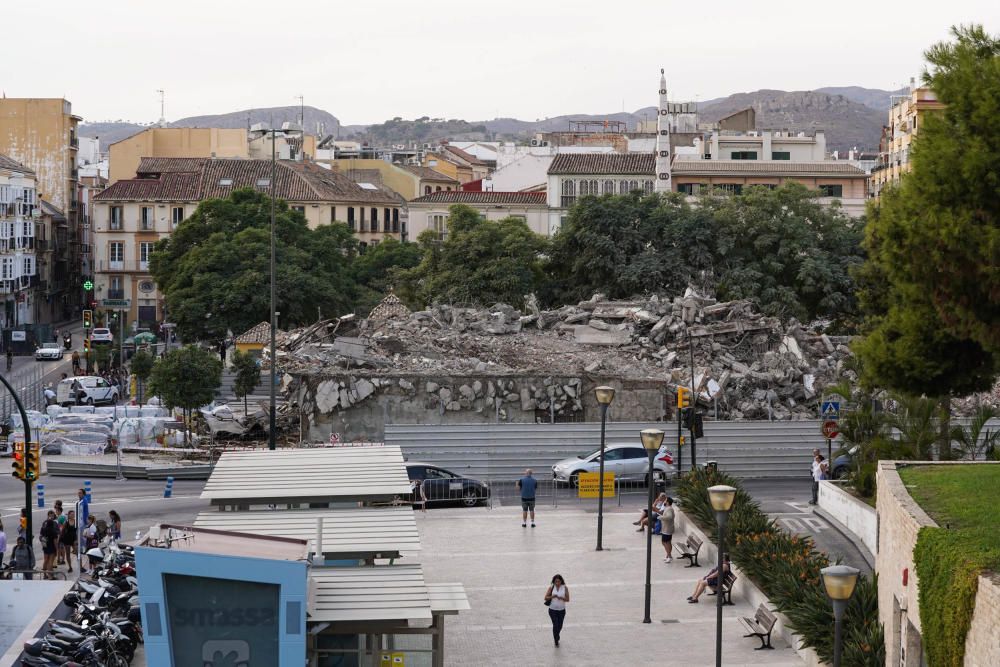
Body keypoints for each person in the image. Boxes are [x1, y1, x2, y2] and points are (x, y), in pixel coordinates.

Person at [544, 574, 570, 647]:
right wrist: (553, 596)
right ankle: (556, 639)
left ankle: (557, 635)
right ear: (554, 582)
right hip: (552, 610)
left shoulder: (565, 588)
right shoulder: (551, 588)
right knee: (555, 625)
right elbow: (545, 597)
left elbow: (568, 599)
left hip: (562, 610)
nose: (557, 583)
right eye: (556, 582)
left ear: (561, 581)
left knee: (560, 626)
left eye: (558, 581)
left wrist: (561, 598)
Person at [39, 510, 59, 578]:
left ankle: (44, 574)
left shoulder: (44, 529)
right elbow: (55, 542)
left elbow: (40, 536)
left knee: (45, 561)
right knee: (51, 561)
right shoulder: (53, 532)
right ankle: (50, 575)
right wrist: (56, 550)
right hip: (52, 547)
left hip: (45, 546)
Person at [660, 496, 676, 563]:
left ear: (668, 502)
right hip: (666, 529)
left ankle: (669, 556)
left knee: (665, 542)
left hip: (667, 529)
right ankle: (668, 555)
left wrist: (661, 517)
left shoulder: (669, 509)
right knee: (666, 542)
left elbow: (669, 517)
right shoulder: (668, 508)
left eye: (665, 500)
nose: (664, 501)